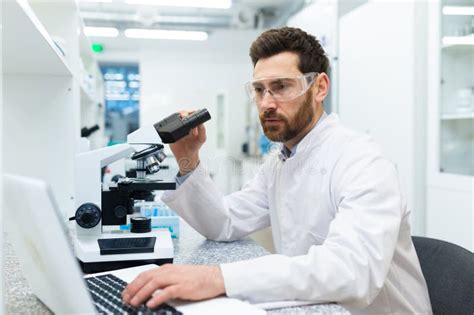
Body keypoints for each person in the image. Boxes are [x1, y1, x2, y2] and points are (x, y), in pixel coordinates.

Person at [122, 27, 432, 314]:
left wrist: (218, 277)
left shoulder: (362, 161)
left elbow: (352, 271)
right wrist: (188, 158)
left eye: (281, 87)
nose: (266, 103)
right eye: (259, 90)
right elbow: (225, 223)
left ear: (320, 87)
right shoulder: (281, 160)